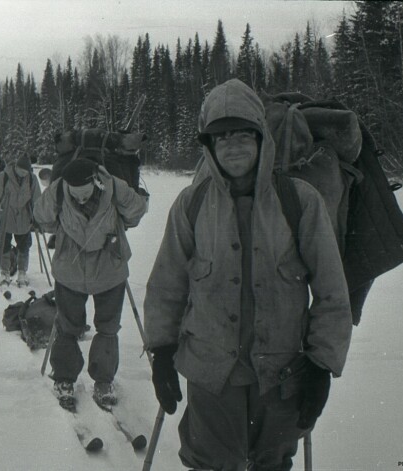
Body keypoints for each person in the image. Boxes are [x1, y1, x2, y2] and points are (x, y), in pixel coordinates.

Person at [143, 79, 353, 471]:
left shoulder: (300, 200)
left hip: (281, 374)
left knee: (272, 464)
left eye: (243, 135)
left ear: (261, 139)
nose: (234, 146)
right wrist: (162, 352)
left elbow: (331, 291)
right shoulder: (192, 204)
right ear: (210, 147)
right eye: (222, 138)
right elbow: (167, 285)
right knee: (209, 463)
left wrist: (322, 366)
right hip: (210, 374)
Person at [34, 158, 147, 411]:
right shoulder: (60, 190)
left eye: (86, 195)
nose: (82, 200)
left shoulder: (113, 188)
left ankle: (103, 381)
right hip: (70, 271)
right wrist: (55, 200)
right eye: (76, 196)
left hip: (109, 270)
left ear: (96, 182)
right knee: (67, 326)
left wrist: (122, 191)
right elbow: (42, 216)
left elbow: (137, 211)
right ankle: (64, 378)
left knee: (107, 327)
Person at [0, 153, 41, 287]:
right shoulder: (4, 176)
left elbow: (37, 199)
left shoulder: (32, 179)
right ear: (16, 167)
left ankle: (22, 272)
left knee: (24, 247)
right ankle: (5, 272)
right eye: (21, 170)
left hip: (24, 218)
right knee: (4, 246)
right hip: (6, 216)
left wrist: (38, 217)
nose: (23, 173)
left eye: (25, 171)